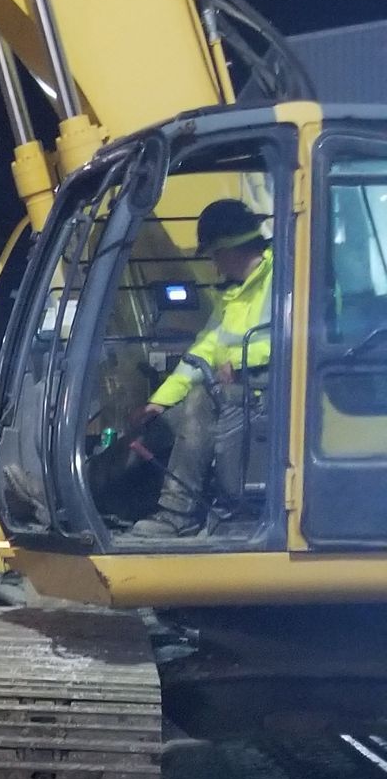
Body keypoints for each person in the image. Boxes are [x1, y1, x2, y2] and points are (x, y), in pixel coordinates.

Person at [126, 198, 273, 537]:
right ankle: (99, 492)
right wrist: (159, 402)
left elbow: (297, 338)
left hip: (275, 387)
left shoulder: (289, 275)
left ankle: (177, 513)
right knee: (164, 423)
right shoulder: (234, 294)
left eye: (213, 254)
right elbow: (203, 352)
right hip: (240, 389)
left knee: (198, 403)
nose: (214, 265)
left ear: (229, 248)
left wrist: (238, 363)